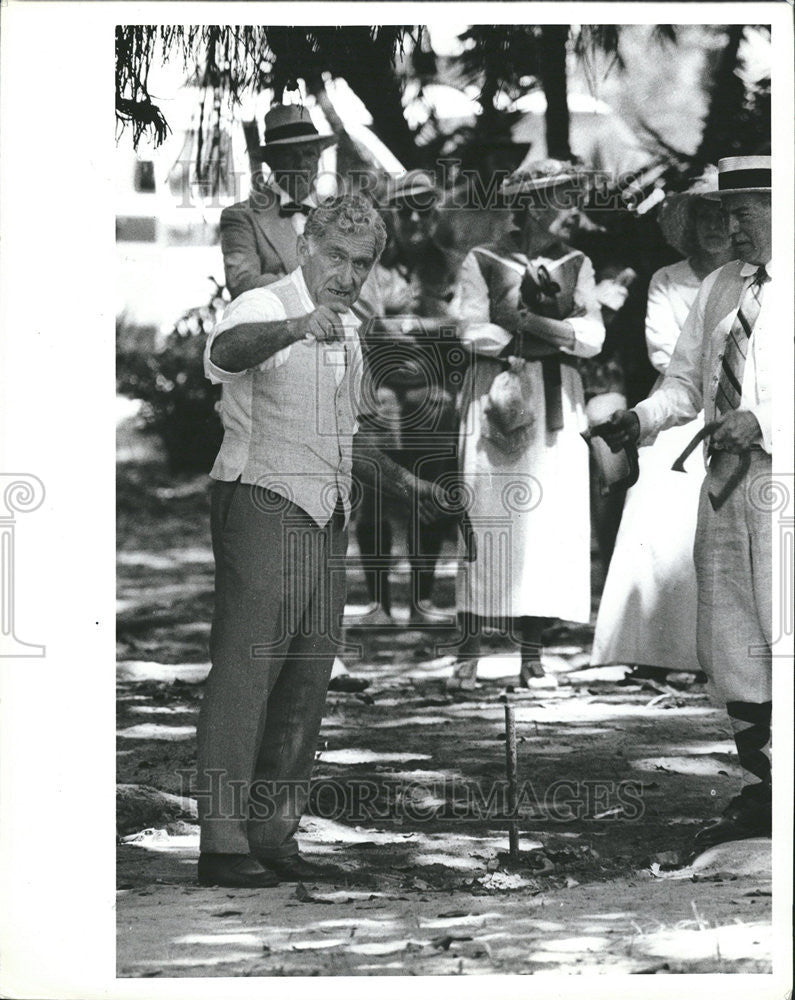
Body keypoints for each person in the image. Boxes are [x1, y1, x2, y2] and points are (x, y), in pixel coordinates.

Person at [196, 195, 446, 888]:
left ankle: (272, 835)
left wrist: (415, 489)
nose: (347, 273)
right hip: (261, 499)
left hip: (325, 512)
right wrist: (295, 327)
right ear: (305, 246)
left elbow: (353, 437)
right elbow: (224, 353)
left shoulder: (352, 330)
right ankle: (220, 844)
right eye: (335, 256)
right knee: (246, 673)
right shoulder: (263, 304)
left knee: (307, 679)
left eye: (361, 263)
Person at [600, 156, 774, 849]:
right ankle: (765, 783)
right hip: (721, 482)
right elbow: (683, 380)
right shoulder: (718, 290)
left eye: (744, 212)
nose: (729, 227)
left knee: (784, 627)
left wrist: (763, 421)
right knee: (727, 634)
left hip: (782, 482)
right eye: (724, 213)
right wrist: (639, 419)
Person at [452, 160, 605, 688]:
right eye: (560, 198)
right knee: (486, 512)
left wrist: (536, 326)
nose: (569, 209)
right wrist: (513, 338)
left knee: (543, 523)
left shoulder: (577, 261)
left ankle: (532, 656)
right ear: (534, 204)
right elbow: (469, 329)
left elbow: (594, 336)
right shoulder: (484, 258)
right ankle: (467, 655)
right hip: (498, 390)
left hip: (555, 396)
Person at [591, 170, 734, 674]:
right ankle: (654, 649)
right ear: (690, 225)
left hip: (737, 405)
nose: (715, 227)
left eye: (723, 215)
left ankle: (718, 652)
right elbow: (663, 352)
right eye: (704, 217)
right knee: (660, 521)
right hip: (677, 404)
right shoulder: (667, 279)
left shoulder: (752, 277)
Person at [353, 170, 463, 626]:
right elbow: (366, 326)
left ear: (435, 213)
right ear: (390, 215)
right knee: (374, 492)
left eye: (423, 208)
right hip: (379, 392)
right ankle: (380, 602)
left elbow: (465, 327)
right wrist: (426, 327)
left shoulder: (451, 265)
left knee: (431, 493)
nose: (414, 217)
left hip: (433, 394)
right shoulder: (370, 267)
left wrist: (412, 326)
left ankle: (421, 600)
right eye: (404, 209)